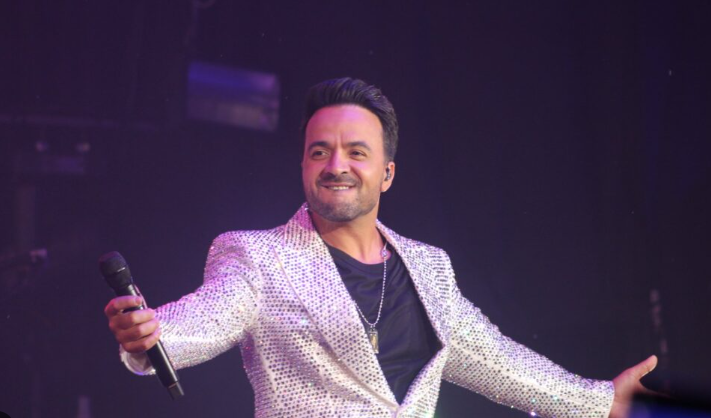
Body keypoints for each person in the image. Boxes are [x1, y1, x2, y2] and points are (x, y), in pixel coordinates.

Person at [105, 77, 656, 418]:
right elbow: (208, 317)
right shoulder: (258, 258)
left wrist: (602, 401)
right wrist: (151, 335)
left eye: (356, 152)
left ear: (387, 173)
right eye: (319, 152)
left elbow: (499, 362)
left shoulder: (429, 270)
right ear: (303, 165)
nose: (336, 165)